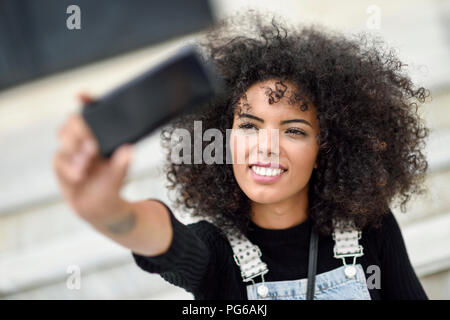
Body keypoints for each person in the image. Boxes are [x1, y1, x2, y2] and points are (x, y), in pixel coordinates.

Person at [53, 11, 430, 300]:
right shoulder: (215, 251)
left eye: (294, 130)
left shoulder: (371, 228)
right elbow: (157, 236)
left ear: (325, 147)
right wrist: (106, 209)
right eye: (249, 125)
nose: (266, 146)